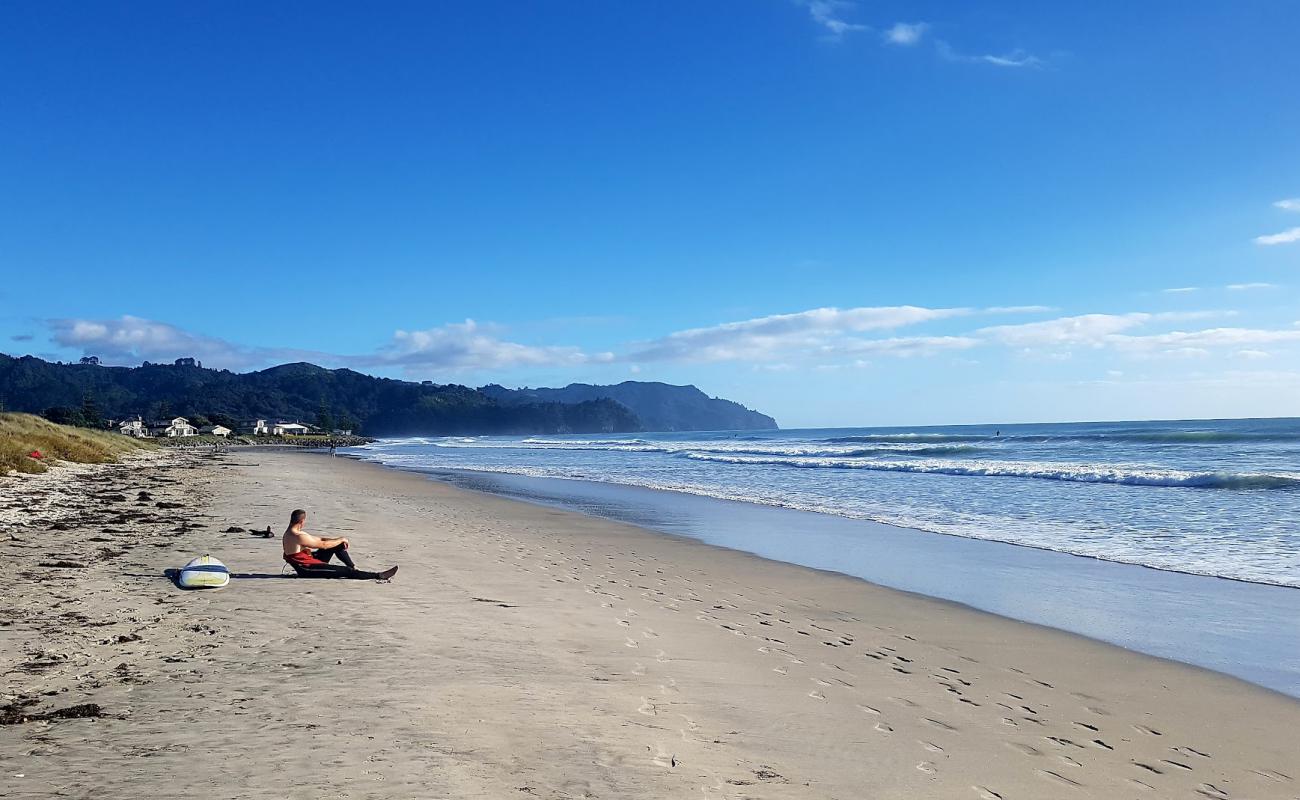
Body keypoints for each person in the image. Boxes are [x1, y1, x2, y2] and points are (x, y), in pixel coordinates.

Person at [282, 509, 397, 580]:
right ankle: (378, 575)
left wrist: (340, 541)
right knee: (345, 571)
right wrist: (341, 538)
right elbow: (323, 545)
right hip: (306, 570)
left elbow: (321, 539)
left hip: (310, 560)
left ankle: (353, 567)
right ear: (302, 521)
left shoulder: (294, 533)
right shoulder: (297, 536)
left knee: (338, 545)